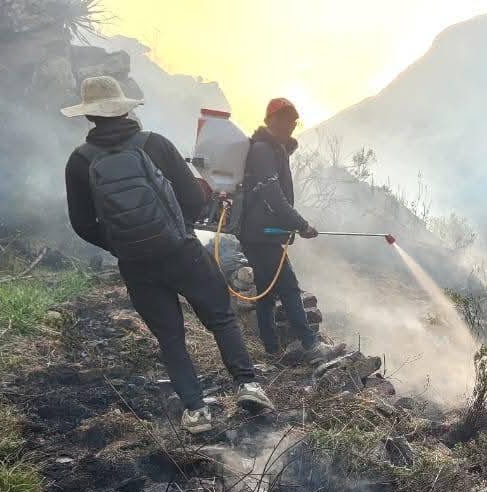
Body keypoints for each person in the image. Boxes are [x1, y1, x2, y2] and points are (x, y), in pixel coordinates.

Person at [63, 76, 273, 434]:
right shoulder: (154, 144)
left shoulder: (80, 161)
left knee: (171, 337)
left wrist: (120, 244)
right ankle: (247, 385)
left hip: (136, 265)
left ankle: (196, 411)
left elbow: (82, 224)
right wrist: (178, 228)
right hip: (181, 251)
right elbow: (193, 198)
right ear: (125, 109)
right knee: (221, 317)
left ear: (89, 116)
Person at [239, 98, 342, 364]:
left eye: (294, 121)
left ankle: (272, 349)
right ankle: (310, 345)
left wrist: (294, 225)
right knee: (289, 288)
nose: (292, 125)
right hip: (262, 235)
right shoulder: (263, 150)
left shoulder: (272, 150)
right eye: (287, 120)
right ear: (271, 120)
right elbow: (273, 195)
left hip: (261, 234)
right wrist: (301, 224)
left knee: (266, 292)